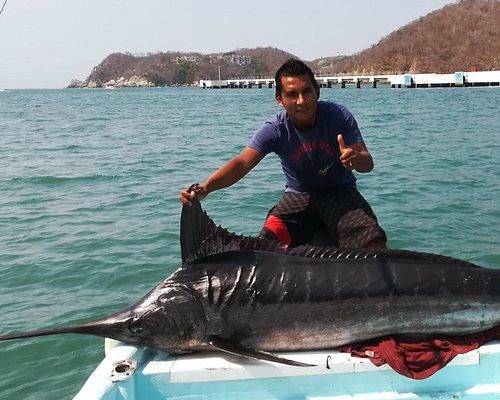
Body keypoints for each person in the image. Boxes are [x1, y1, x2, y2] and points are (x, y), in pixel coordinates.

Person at [180, 58, 386, 249]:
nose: (301, 101)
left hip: (340, 193)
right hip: (298, 196)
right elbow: (242, 163)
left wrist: (356, 159)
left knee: (374, 244)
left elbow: (368, 164)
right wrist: (207, 187)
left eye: (307, 91)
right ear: (279, 99)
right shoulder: (276, 128)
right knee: (267, 243)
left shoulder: (338, 116)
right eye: (292, 94)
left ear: (318, 91)